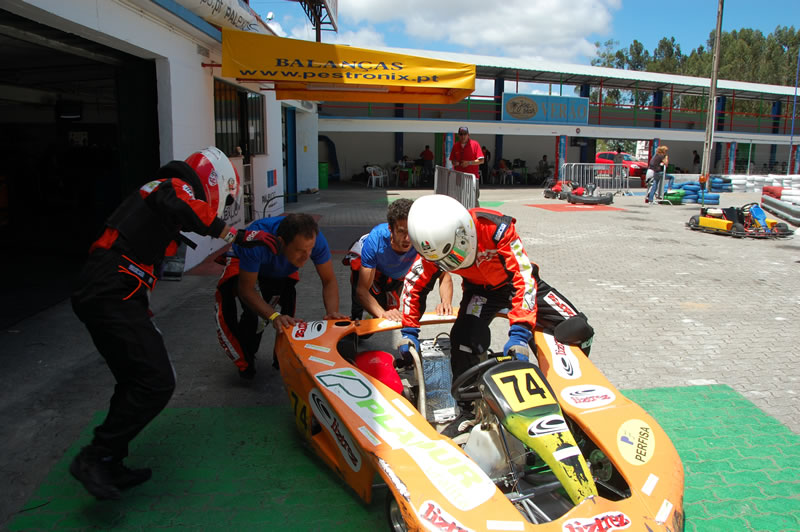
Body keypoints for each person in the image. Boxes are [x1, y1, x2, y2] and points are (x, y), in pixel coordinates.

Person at [70, 148, 275, 500]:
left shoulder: (162, 191)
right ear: (213, 182)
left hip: (115, 290)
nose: (215, 206)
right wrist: (237, 235)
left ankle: (109, 461)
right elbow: (181, 205)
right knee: (156, 381)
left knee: (135, 379)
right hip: (110, 290)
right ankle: (94, 456)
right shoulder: (171, 186)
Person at [398, 194, 594, 437]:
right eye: (444, 262)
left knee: (578, 327)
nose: (452, 263)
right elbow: (414, 284)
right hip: (481, 292)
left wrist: (520, 333)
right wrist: (409, 332)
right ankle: (469, 412)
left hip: (516, 283)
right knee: (464, 339)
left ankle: (573, 400)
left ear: (464, 232)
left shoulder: (495, 227)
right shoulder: (434, 246)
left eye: (454, 255)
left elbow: (523, 278)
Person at [215, 213, 347, 379]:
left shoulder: (316, 239)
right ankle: (245, 361)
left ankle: (280, 359)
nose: (306, 257)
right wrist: (273, 315)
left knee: (287, 314)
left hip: (278, 265)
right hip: (244, 262)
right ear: (282, 242)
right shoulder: (256, 242)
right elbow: (246, 290)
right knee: (254, 316)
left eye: (310, 250)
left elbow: (329, 280)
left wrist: (332, 312)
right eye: (300, 251)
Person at [344, 198, 453, 323]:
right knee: (365, 323)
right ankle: (357, 321)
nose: (407, 238)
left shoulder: (423, 238)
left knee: (396, 312)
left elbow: (444, 275)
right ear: (391, 229)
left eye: (410, 232)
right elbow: (362, 291)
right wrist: (383, 313)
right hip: (371, 268)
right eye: (401, 232)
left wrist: (445, 302)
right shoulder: (376, 240)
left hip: (395, 273)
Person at [449, 126, 484, 207]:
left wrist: (469, 163)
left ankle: (476, 217)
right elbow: (452, 160)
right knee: (459, 198)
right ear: (458, 135)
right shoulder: (455, 146)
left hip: (472, 178)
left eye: (465, 134)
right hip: (459, 178)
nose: (463, 136)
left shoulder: (475, 145)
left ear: (468, 135)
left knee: (473, 199)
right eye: (461, 134)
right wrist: (455, 163)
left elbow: (481, 160)